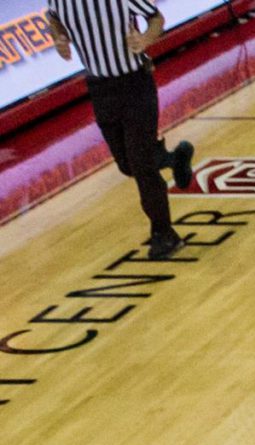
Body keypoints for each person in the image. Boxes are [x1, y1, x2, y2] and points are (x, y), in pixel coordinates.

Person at [44, 0, 196, 261]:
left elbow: (156, 18)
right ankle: (173, 159)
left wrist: (145, 40)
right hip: (99, 88)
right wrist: (59, 37)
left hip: (135, 83)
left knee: (142, 167)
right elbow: (53, 17)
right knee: (128, 165)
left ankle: (164, 233)